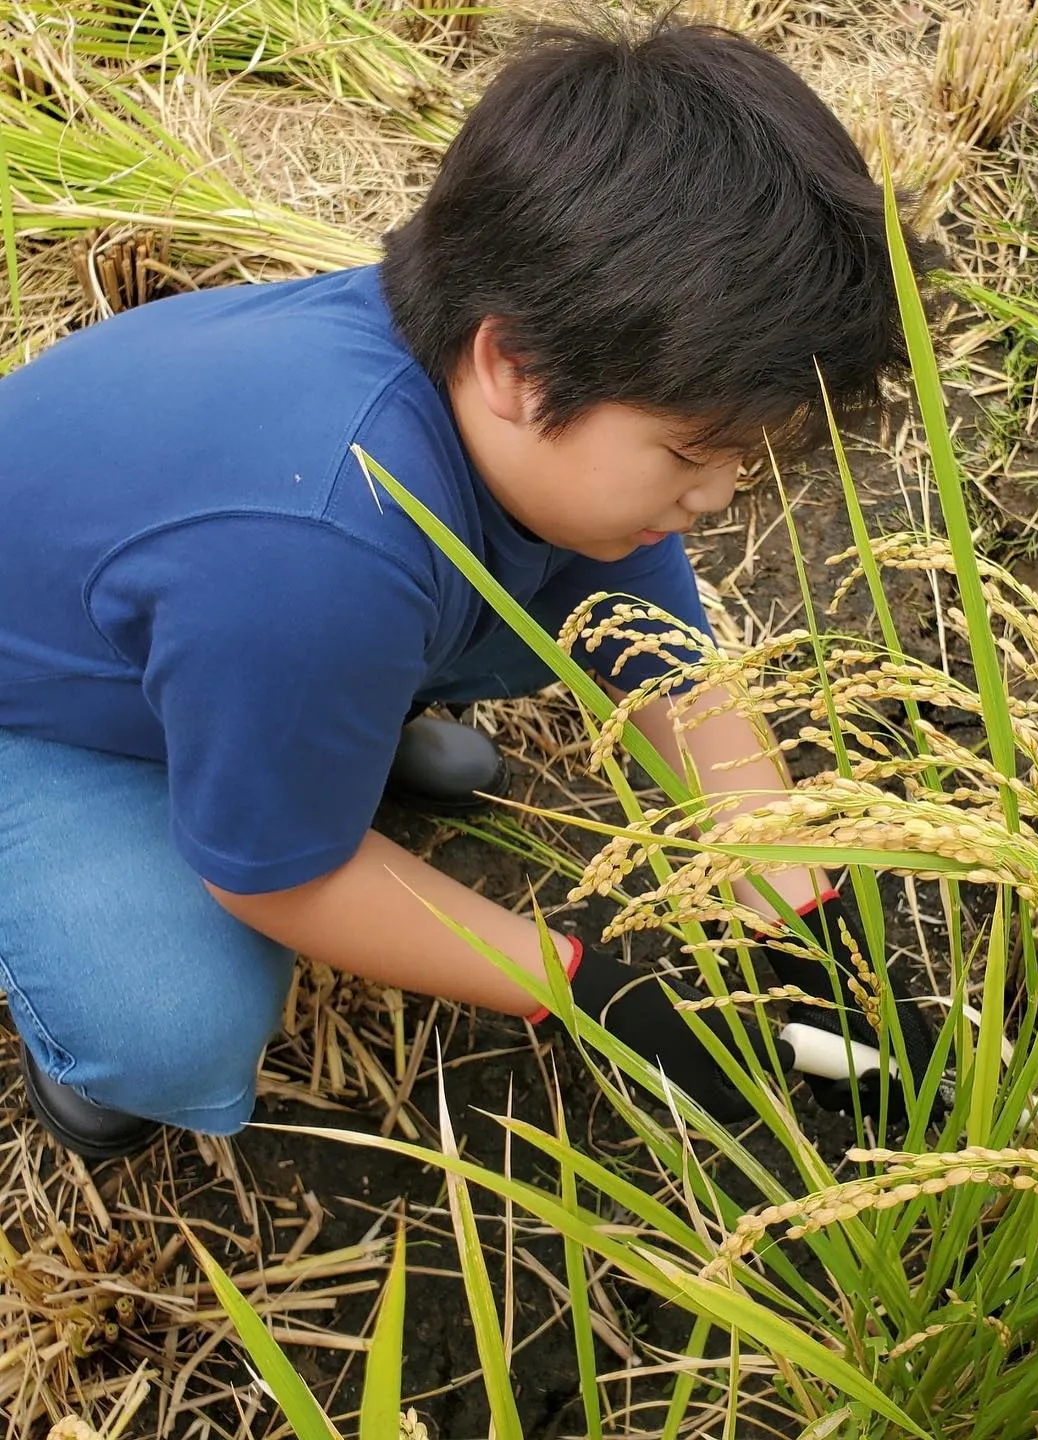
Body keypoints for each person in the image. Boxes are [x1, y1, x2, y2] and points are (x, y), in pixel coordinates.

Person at [0, 18, 939, 1161]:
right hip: (46, 715)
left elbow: (654, 646)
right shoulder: (318, 548)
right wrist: (586, 996)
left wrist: (793, 891)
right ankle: (97, 1010)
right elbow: (286, 885)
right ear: (512, 364)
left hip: (237, 620)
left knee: (509, 593)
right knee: (172, 1024)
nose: (719, 498)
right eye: (695, 456)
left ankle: (312, 741)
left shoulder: (515, 369)